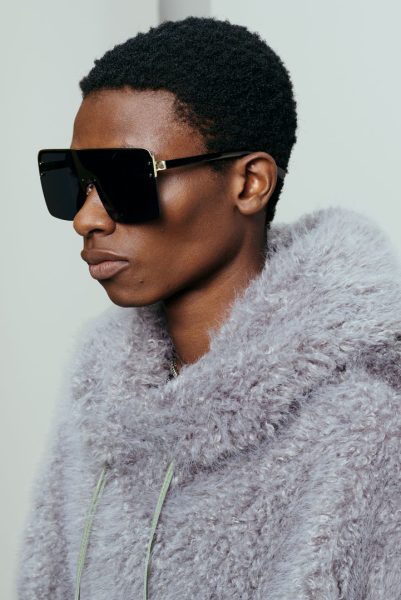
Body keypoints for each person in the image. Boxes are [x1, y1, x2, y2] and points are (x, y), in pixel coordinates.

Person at [16, 16, 401, 600]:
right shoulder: (100, 399)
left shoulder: (365, 427)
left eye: (124, 179)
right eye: (72, 181)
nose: (86, 218)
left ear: (249, 184)